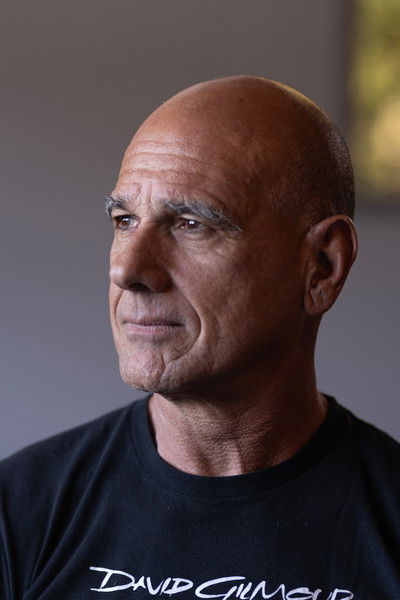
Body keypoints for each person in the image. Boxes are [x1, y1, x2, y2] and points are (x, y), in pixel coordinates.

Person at [1, 76, 399, 600]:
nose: (127, 270)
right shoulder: (19, 513)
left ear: (322, 266)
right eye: (125, 220)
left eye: (191, 223)